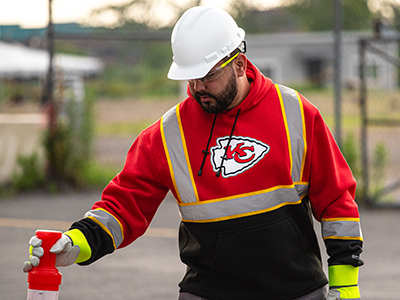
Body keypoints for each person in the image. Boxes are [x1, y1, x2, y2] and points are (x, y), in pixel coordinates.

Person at [23, 6, 363, 300]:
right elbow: (122, 207)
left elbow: (336, 201)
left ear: (240, 64)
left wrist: (346, 286)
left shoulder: (297, 115)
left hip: (298, 291)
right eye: (191, 78)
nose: (198, 87)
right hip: (208, 292)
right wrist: (76, 243)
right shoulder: (167, 135)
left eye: (208, 76)